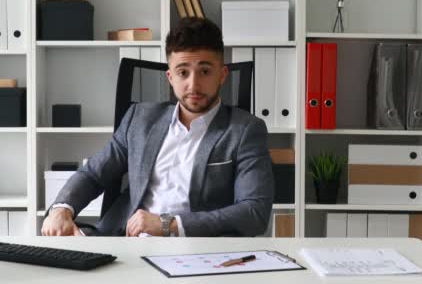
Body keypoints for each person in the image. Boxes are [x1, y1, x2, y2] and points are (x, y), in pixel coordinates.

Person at [41, 17, 274, 237]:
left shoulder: (245, 130)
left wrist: (168, 224)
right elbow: (93, 174)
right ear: (170, 77)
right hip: (124, 243)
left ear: (222, 75)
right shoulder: (140, 119)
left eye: (205, 71)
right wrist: (62, 209)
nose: (193, 84)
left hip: (196, 250)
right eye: (183, 72)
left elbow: (254, 211)